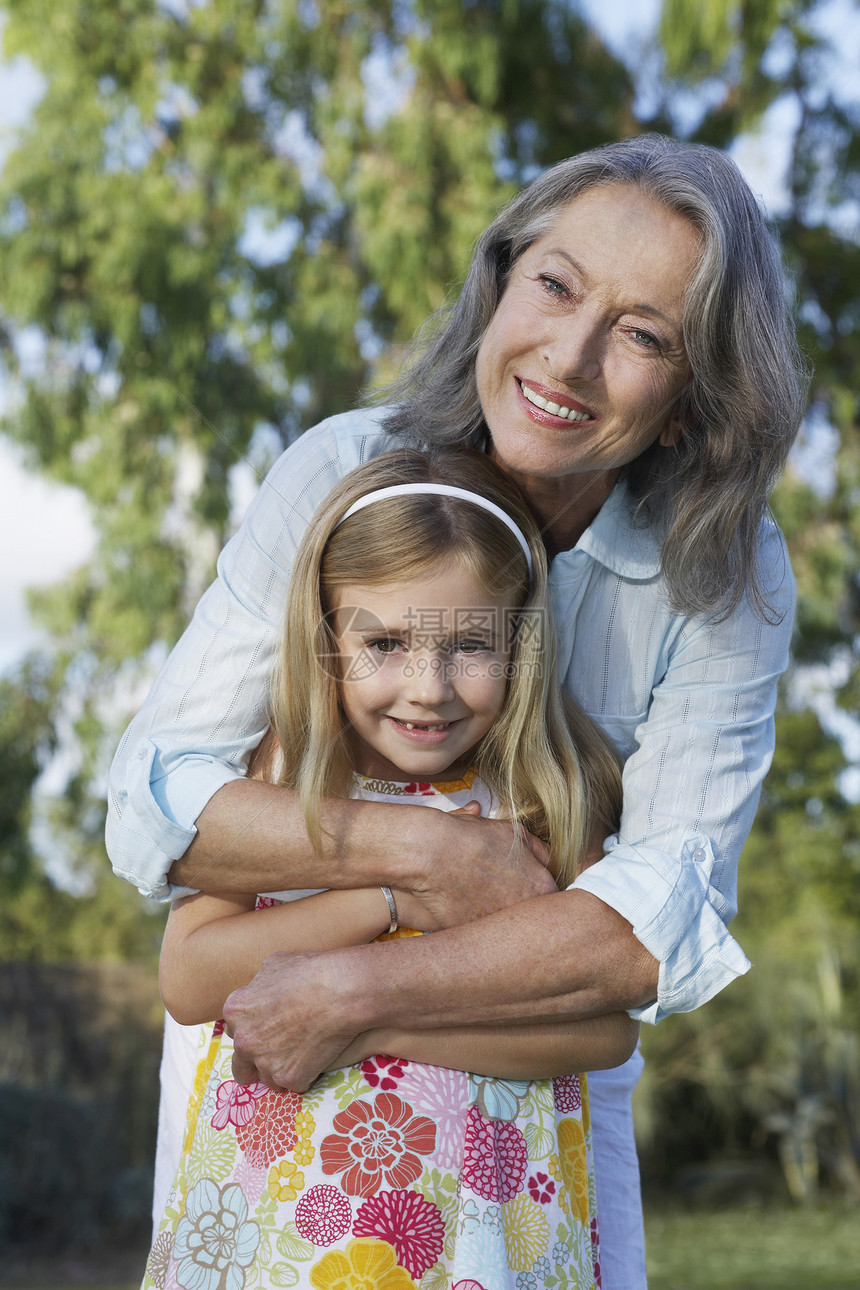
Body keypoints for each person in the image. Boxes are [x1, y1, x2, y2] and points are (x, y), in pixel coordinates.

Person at [108, 133, 807, 1288]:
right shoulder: (347, 471)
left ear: (692, 402)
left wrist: (358, 997)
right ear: (499, 283)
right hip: (273, 1104)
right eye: (554, 285)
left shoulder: (722, 576)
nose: (568, 357)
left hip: (515, 1133)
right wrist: (422, 858)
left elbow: (642, 933)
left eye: (641, 335)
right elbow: (154, 803)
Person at [142, 447, 635, 1290]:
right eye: (387, 642)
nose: (427, 688)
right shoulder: (288, 769)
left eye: (470, 643)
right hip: (290, 1225)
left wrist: (365, 1025)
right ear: (329, 635)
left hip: (491, 1221)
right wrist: (388, 892)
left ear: (522, 640)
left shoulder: (546, 789)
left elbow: (603, 1028)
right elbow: (190, 976)